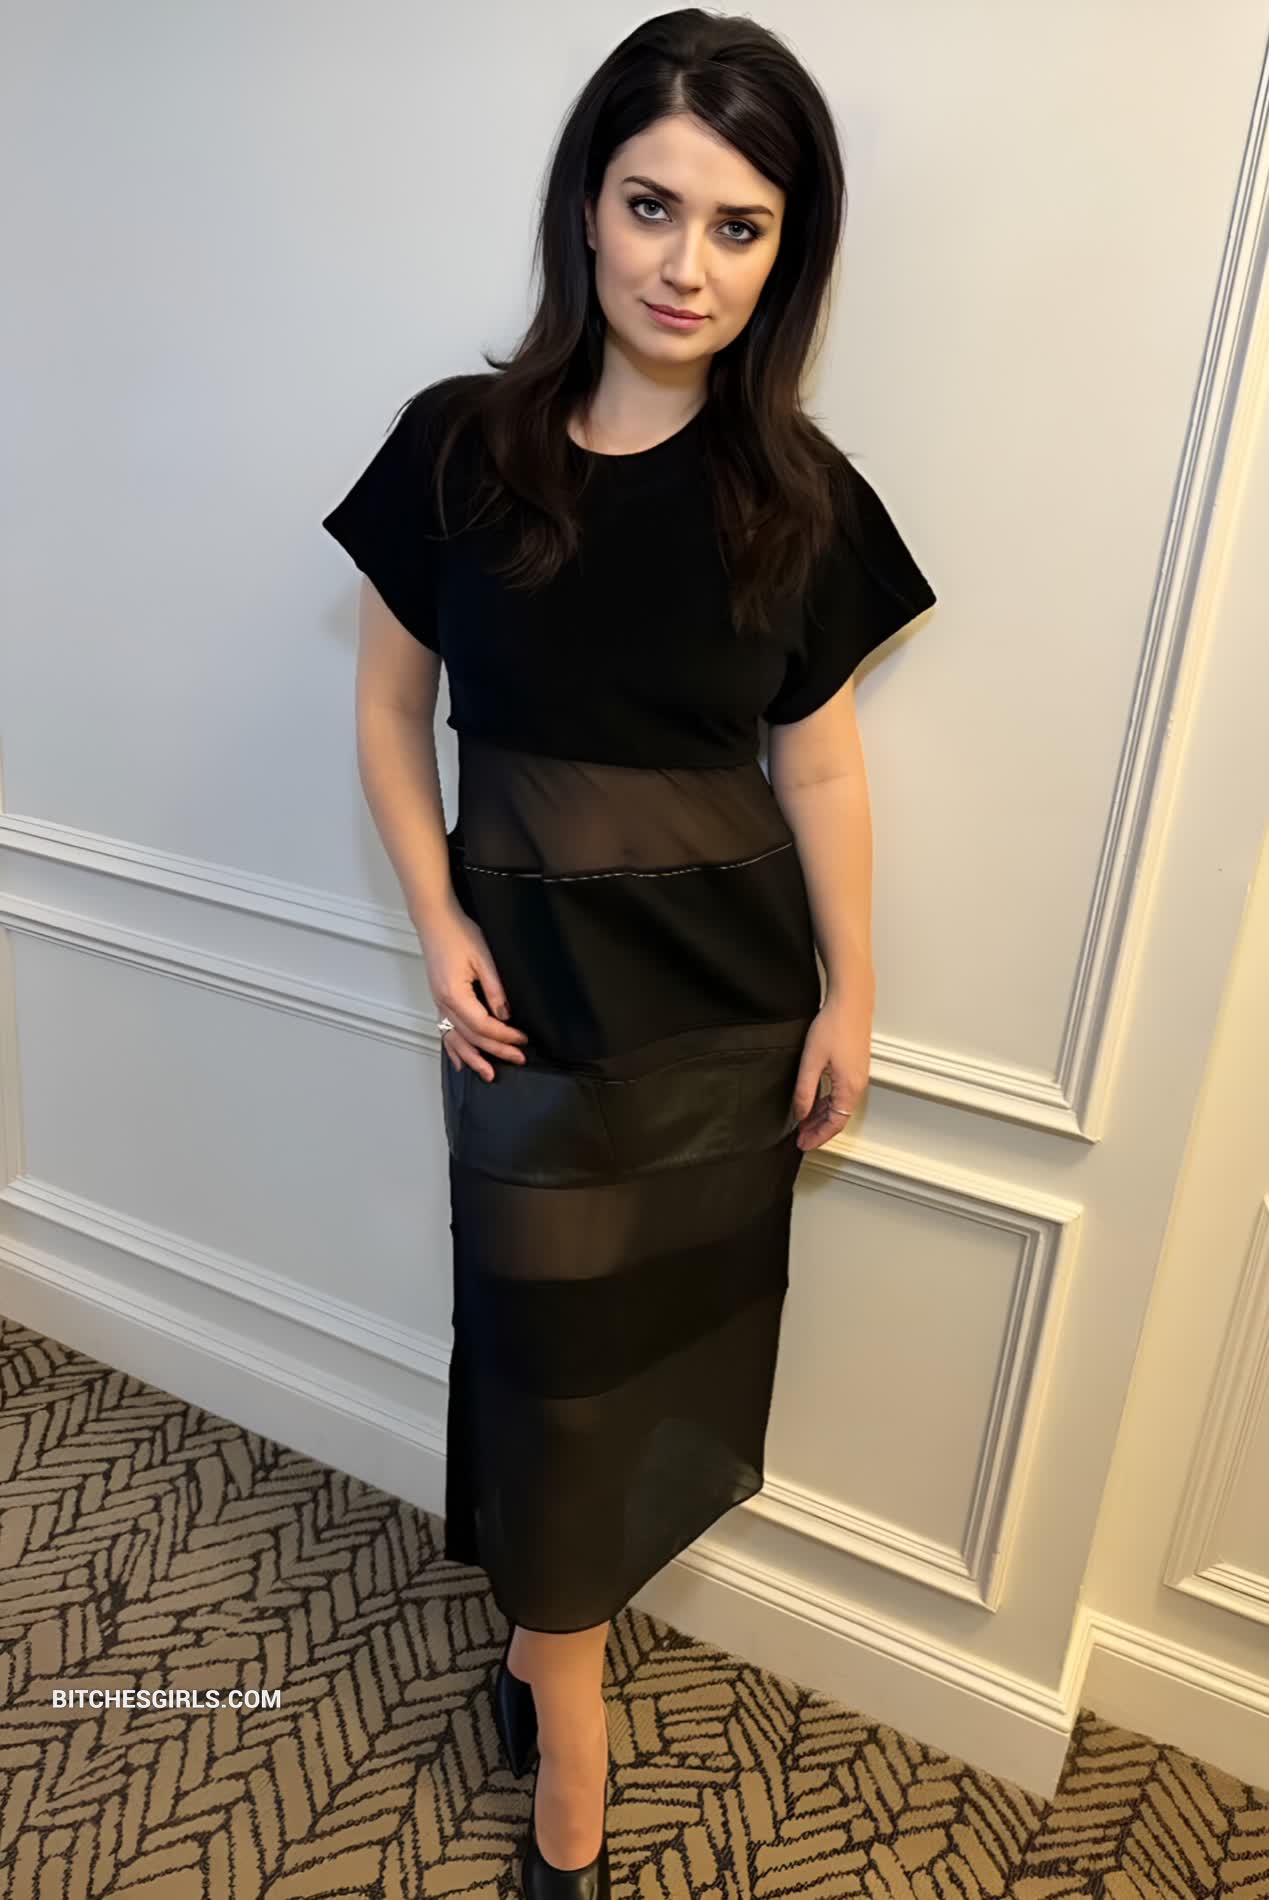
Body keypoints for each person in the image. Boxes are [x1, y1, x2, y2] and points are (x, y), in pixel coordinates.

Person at [321, 9, 936, 1894]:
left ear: (785, 254)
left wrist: (852, 990)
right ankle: (572, 1734)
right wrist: (438, 921)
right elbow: (388, 707)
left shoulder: (796, 493)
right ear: (584, 208)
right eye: (652, 205)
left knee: (655, 1351)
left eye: (739, 226)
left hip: (723, 1012)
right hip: (530, 1012)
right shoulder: (460, 446)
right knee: (543, 1357)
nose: (687, 264)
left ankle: (543, 1658)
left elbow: (814, 761)